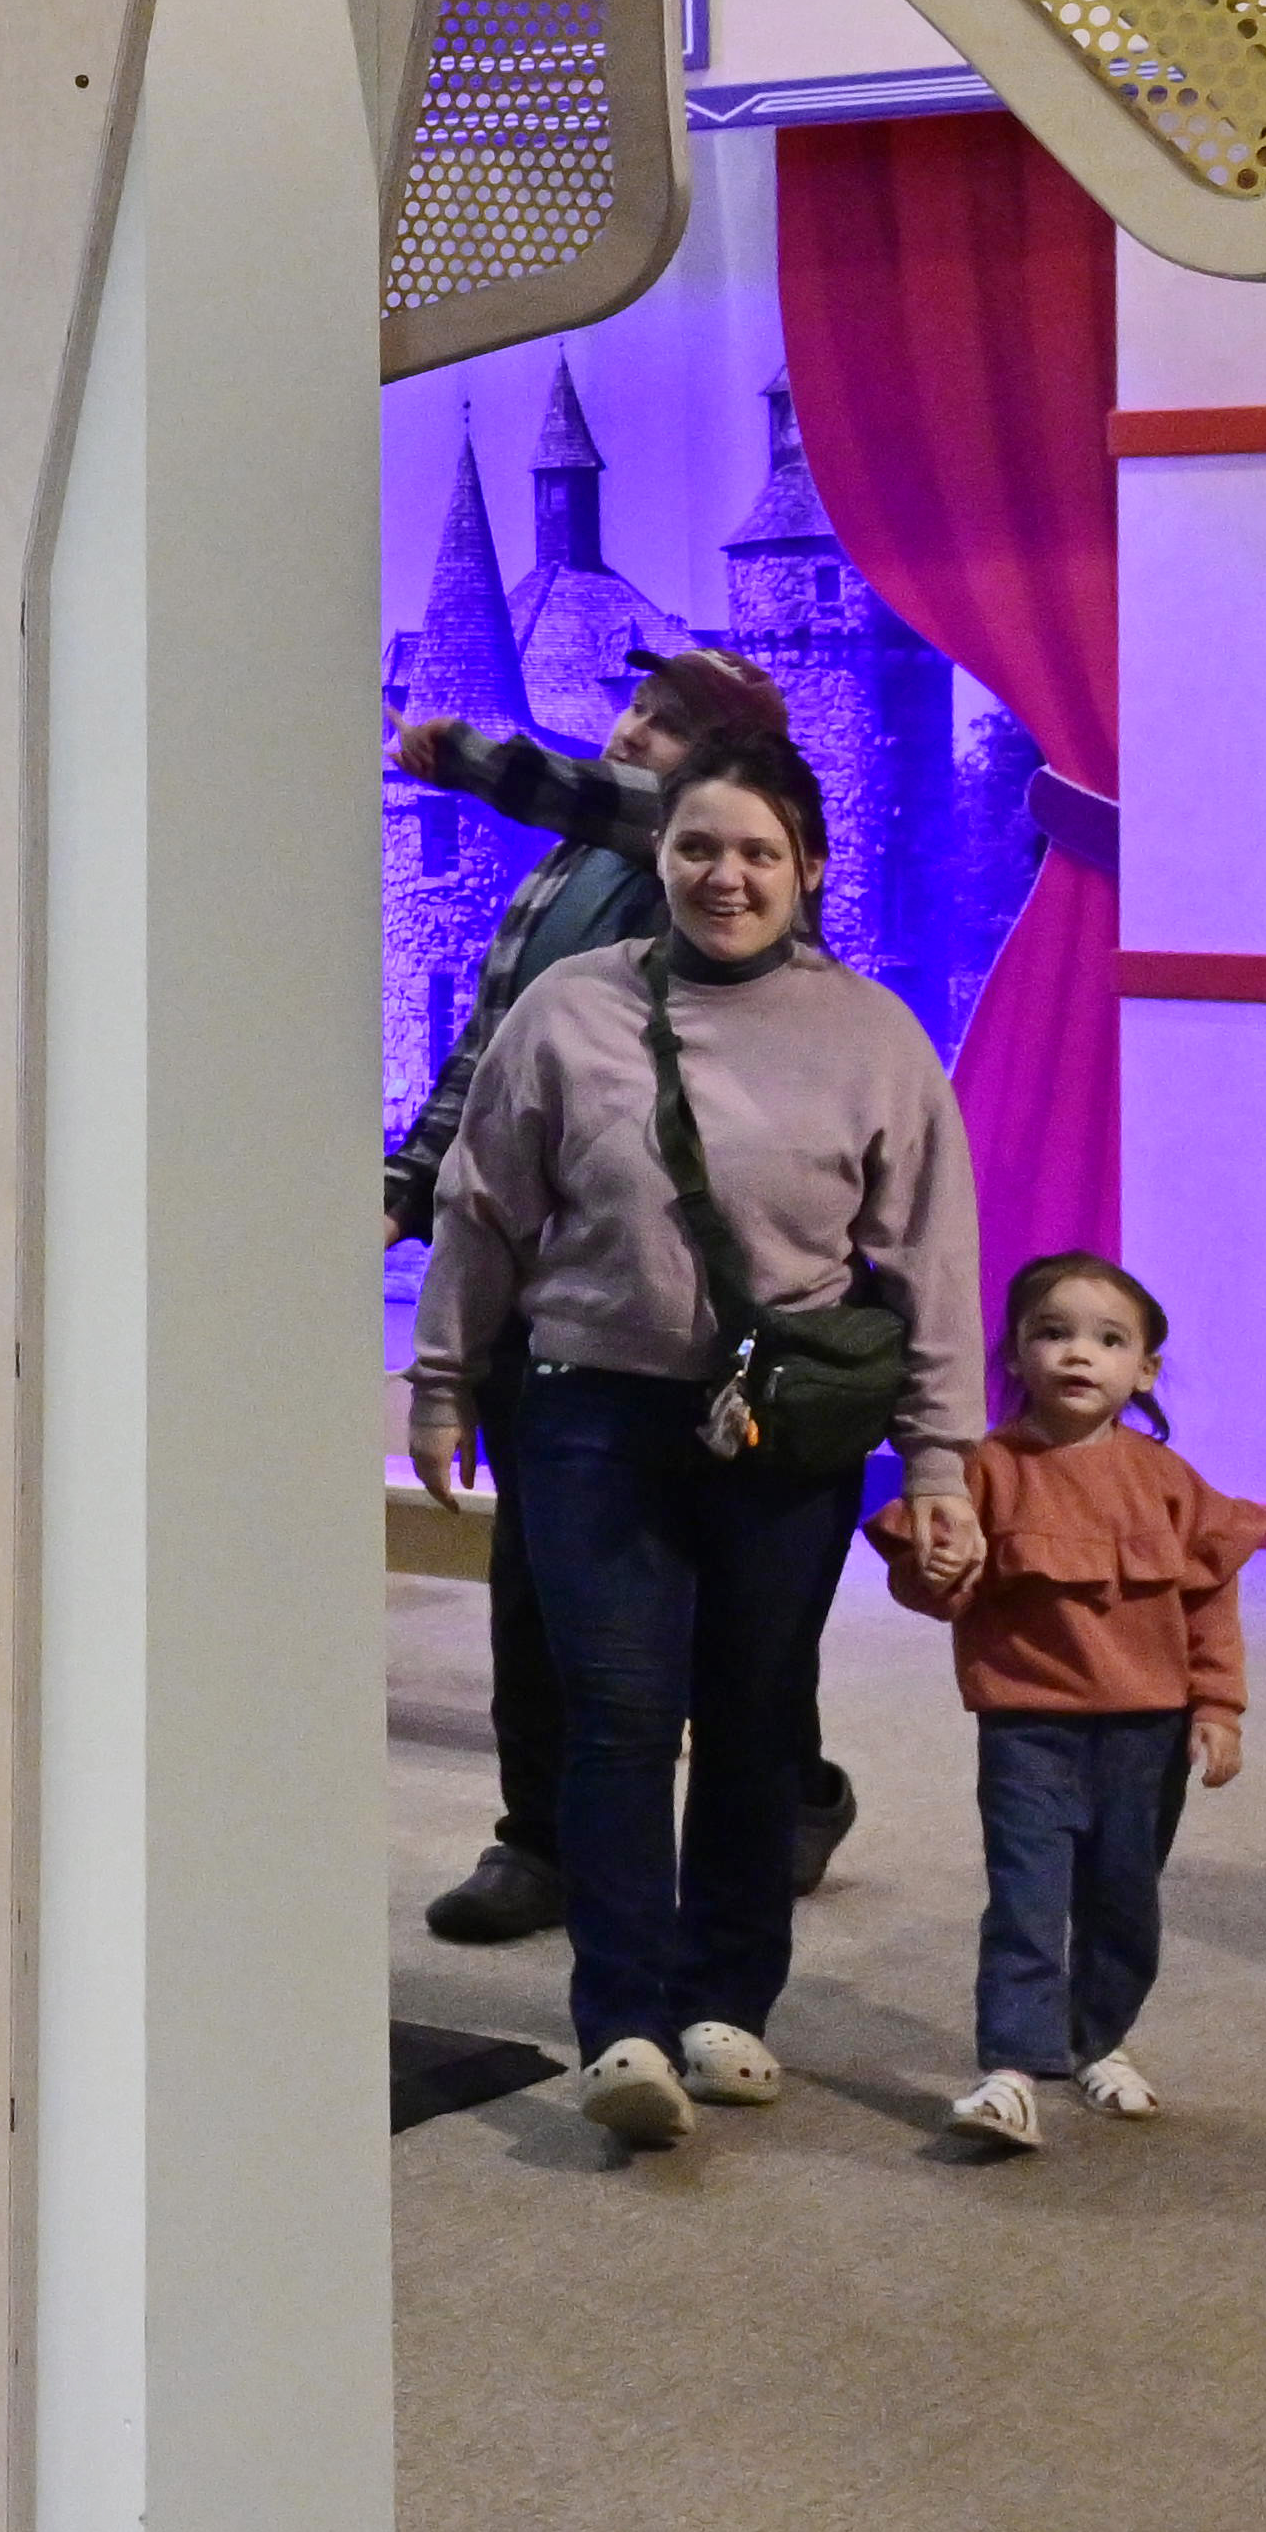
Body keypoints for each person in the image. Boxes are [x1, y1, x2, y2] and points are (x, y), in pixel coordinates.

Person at [403, 731, 980, 2152]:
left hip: (781, 1424)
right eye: (698, 848)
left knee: (756, 1713)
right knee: (613, 1717)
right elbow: (485, 1210)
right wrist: (439, 1381)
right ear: (656, 859)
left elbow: (929, 1265)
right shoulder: (565, 1012)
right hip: (591, 1411)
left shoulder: (874, 1038)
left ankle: (729, 2002)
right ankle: (626, 2025)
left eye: (758, 853)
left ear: (810, 871)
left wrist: (949, 1463)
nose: (727, 876)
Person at [387, 646, 854, 1942]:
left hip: (712, 1310)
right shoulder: (569, 876)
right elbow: (497, 1055)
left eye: (669, 723)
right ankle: (538, 1840)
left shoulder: (705, 851)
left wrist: (450, 750)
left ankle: (790, 1793)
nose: (634, 734)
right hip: (557, 1296)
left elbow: (604, 797)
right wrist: (407, 1185)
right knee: (543, 1580)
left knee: (738, 1605)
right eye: (635, 711)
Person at [885, 1252, 1260, 2153]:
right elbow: (934, 1584)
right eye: (1052, 1334)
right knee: (1026, 1896)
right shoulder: (981, 1470)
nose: (1078, 1354)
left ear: (1145, 1369)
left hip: (1149, 1731)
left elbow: (1209, 1600)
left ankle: (1102, 2040)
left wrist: (1220, 1706)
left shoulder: (1169, 1483)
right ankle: (1010, 2070)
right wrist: (934, 1571)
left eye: (1108, 1339)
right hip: (1029, 1727)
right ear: (1014, 1354)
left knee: (1125, 1894)